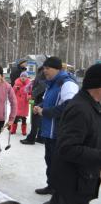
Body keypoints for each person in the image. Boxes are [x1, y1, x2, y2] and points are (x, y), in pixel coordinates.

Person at [47, 63, 101, 204]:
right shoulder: (80, 109)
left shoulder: (92, 105)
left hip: (82, 180)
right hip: (72, 184)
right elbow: (68, 148)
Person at [33, 57, 79, 195]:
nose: (45, 71)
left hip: (61, 133)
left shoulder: (67, 84)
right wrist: (40, 106)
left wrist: (45, 111)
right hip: (50, 131)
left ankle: (59, 193)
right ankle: (51, 186)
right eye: (44, 68)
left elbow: (69, 107)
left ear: (57, 69)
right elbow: (49, 102)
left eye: (48, 68)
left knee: (59, 165)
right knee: (50, 161)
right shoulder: (52, 83)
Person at [20, 66, 46, 145]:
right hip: (41, 98)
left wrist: (33, 94)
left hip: (39, 98)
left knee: (35, 118)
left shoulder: (42, 72)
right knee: (40, 117)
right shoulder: (42, 71)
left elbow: (42, 86)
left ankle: (31, 138)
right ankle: (41, 137)